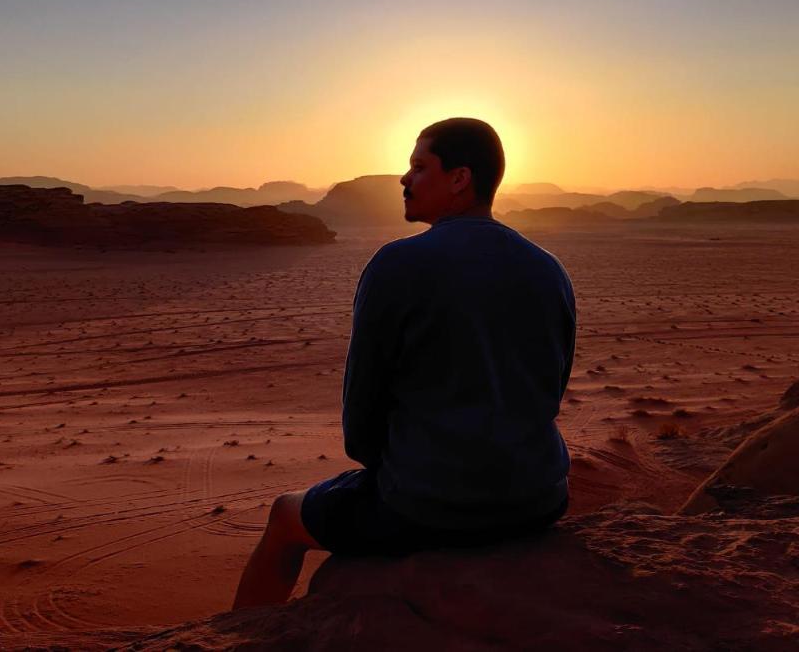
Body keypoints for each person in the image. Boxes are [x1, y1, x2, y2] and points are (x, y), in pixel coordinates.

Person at [232, 117, 576, 610]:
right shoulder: (549, 268)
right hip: (540, 499)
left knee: (285, 518)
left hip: (429, 504)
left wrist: (402, 473)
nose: (404, 179)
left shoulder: (397, 264)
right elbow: (551, 391)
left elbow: (362, 421)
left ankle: (241, 638)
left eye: (419, 166)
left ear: (459, 179)